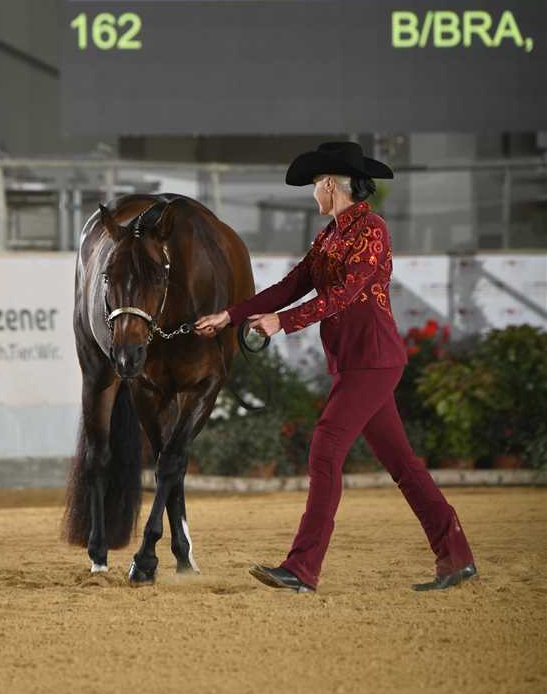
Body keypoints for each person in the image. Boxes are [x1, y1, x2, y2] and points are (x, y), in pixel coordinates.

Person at [195, 141, 477, 594]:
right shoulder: (328, 236)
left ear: (329, 184)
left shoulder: (372, 229)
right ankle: (456, 556)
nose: (313, 193)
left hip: (373, 361)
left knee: (325, 449)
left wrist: (282, 323)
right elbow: (291, 285)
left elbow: (343, 295)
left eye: (314, 185)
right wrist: (230, 315)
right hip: (356, 363)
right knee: (403, 464)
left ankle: (302, 569)